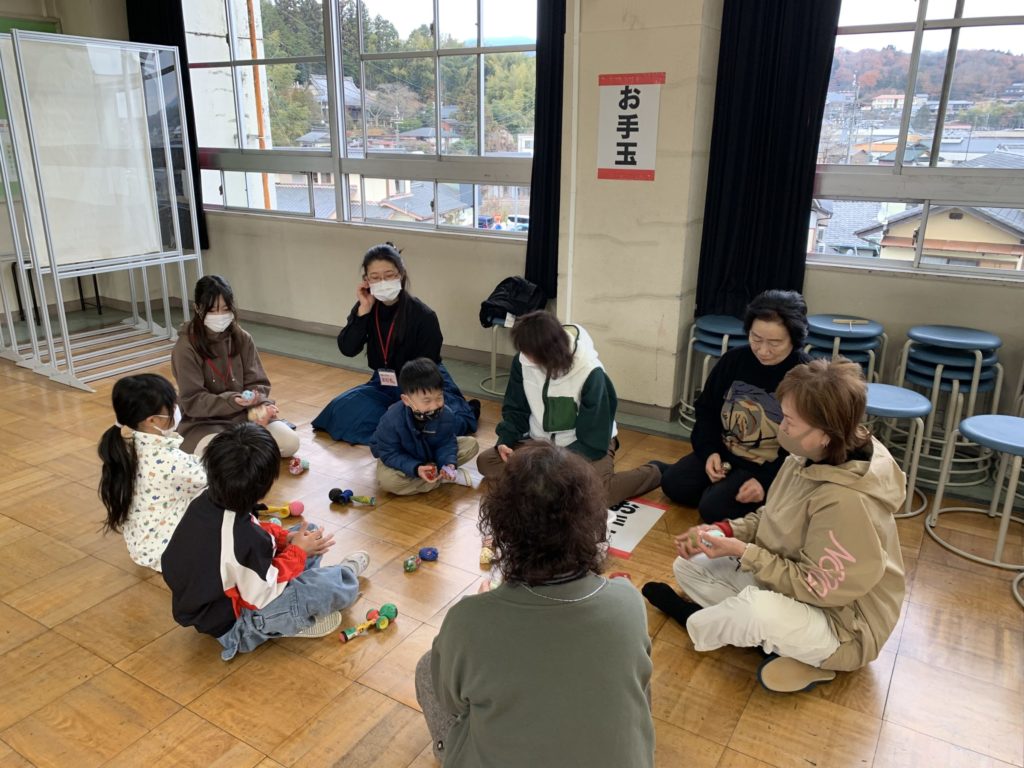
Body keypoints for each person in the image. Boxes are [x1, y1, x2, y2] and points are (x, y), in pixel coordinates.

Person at [642, 359, 906, 693]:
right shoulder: (805, 456)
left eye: (789, 421)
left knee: (756, 610)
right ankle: (770, 643)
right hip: (795, 589)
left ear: (824, 435)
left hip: (843, 626)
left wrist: (744, 553)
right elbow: (770, 517)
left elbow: (818, 588)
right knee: (688, 566)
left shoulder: (847, 501)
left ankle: (698, 622)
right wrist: (724, 532)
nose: (780, 426)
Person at [416, 442, 654, 766]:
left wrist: (480, 612)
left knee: (428, 669)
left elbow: (451, 701)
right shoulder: (628, 601)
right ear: (592, 524)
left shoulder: (467, 620)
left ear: (502, 529)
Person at [161, 423, 369, 661]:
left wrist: (285, 538)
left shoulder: (209, 497)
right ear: (265, 487)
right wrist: (297, 551)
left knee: (307, 532)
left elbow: (252, 529)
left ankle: (303, 584)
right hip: (238, 624)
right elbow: (260, 595)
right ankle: (342, 577)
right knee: (326, 586)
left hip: (224, 591)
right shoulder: (241, 540)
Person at [476, 310, 662, 508]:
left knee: (599, 494)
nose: (525, 357)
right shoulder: (523, 360)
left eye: (530, 353)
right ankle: (547, 484)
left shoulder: (591, 372)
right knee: (487, 462)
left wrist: (551, 463)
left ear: (548, 352)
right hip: (540, 443)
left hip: (584, 447)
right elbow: (515, 410)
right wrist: (505, 441)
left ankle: (656, 472)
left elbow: (594, 439)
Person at [661, 290, 812, 522]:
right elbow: (707, 410)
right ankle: (718, 487)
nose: (763, 350)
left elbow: (803, 447)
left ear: (794, 338)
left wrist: (765, 481)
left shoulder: (805, 376)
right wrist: (709, 451)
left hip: (767, 464)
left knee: (713, 510)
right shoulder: (734, 360)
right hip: (726, 452)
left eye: (775, 343)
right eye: (756, 338)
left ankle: (733, 492)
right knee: (674, 484)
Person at [312, 243, 479, 445]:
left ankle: (406, 429)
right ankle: (400, 433)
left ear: (401, 274)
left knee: (441, 422)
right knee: (339, 411)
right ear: (366, 281)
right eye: (375, 277)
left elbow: (427, 369)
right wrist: (363, 311)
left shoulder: (423, 315)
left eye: (389, 275)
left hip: (422, 382)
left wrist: (407, 402)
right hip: (384, 382)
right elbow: (347, 348)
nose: (382, 282)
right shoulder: (366, 307)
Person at [171, 275, 299, 458]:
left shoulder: (242, 337)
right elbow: (193, 400)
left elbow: (257, 382)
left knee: (290, 443)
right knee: (225, 456)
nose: (220, 316)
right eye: (212, 310)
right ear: (197, 308)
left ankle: (249, 450)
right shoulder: (185, 347)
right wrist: (232, 401)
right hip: (204, 422)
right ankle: (250, 452)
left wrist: (261, 406)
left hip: (246, 415)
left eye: (225, 309)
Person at [97, 373, 206, 571]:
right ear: (152, 420)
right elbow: (216, 477)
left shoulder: (128, 447)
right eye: (172, 405)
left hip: (143, 546)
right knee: (218, 496)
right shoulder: (169, 461)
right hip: (168, 553)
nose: (177, 409)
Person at [370, 357, 480, 496]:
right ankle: (441, 479)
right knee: (388, 482)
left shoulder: (446, 414)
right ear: (406, 400)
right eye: (426, 401)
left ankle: (435, 474)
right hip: (403, 458)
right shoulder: (391, 420)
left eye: (439, 397)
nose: (434, 406)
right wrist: (416, 468)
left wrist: (448, 463)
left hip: (429, 454)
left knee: (471, 444)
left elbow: (446, 443)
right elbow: (390, 453)